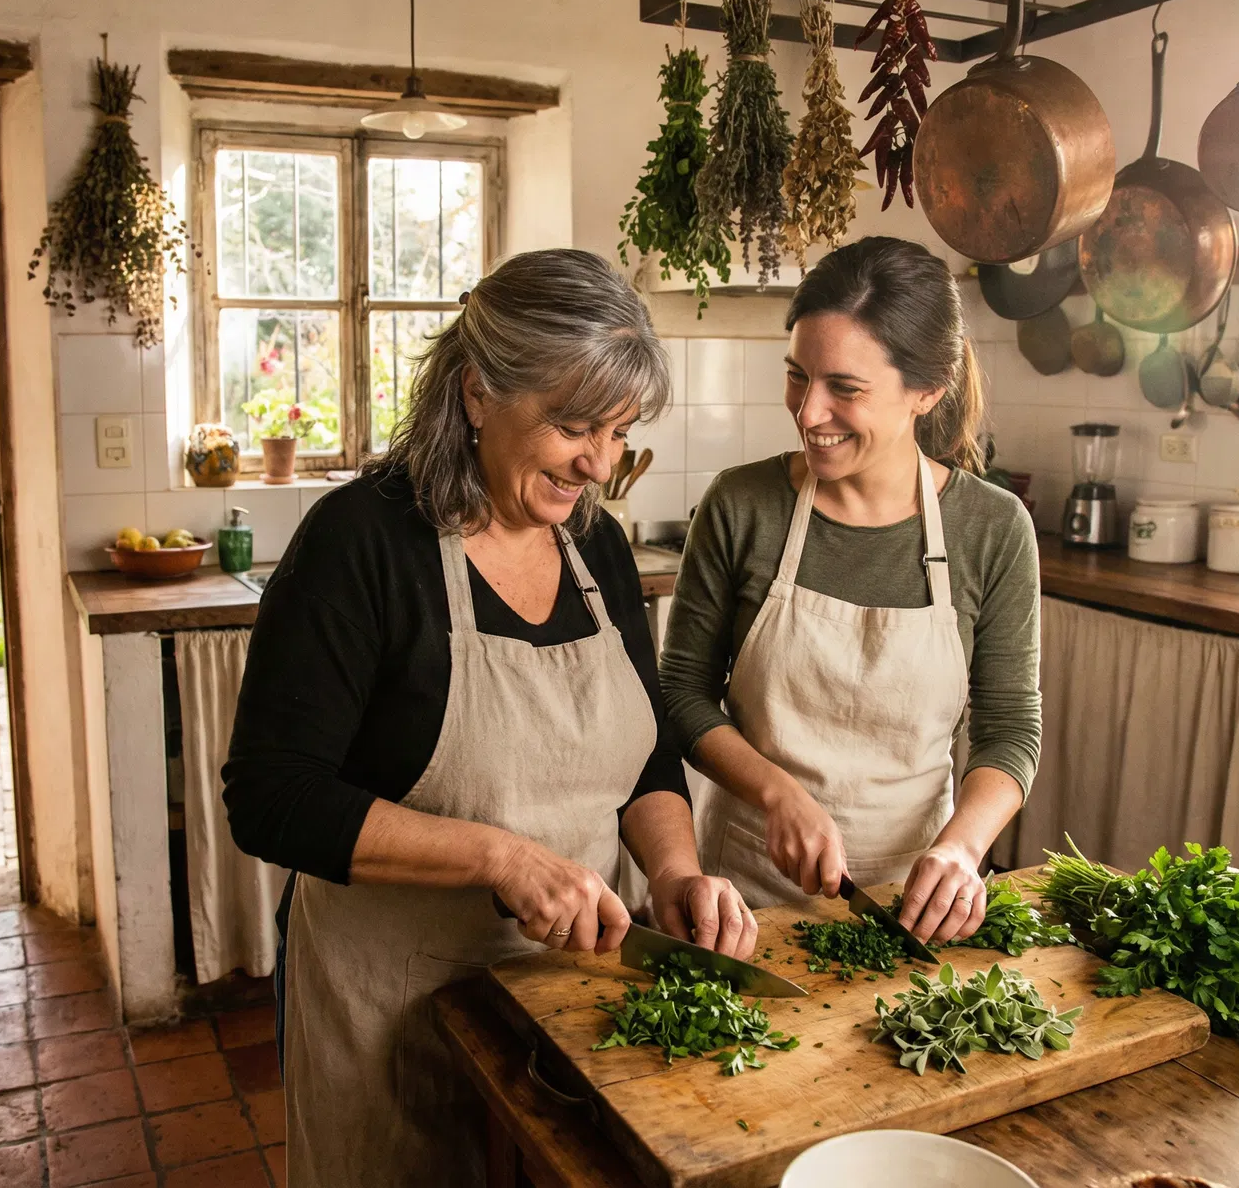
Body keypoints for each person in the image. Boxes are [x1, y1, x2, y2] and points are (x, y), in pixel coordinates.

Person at [224, 248, 755, 1188]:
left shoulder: (598, 549)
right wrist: (502, 858)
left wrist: (675, 869)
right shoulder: (361, 543)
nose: (597, 464)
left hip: (566, 1010)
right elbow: (272, 799)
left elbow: (642, 759)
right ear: (477, 395)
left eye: (620, 432)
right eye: (573, 426)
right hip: (392, 1013)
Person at [659, 236, 1041, 944]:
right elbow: (681, 691)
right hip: (745, 903)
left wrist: (961, 850)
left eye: (845, 388)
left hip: (915, 903)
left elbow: (1009, 729)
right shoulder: (743, 505)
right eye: (797, 376)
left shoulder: (992, 527)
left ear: (927, 389)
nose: (808, 412)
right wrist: (776, 793)